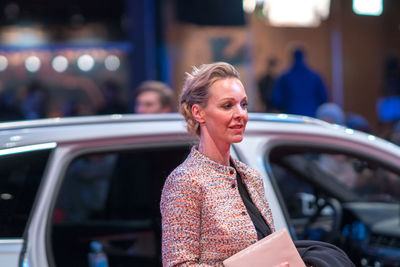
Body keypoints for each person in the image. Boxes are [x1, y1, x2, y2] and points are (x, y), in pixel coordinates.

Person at [160, 62, 275, 266]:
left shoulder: (251, 177)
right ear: (198, 113)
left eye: (244, 104)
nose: (240, 114)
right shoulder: (185, 182)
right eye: (227, 105)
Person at [272, 46, 328, 117]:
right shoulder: (315, 76)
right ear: (304, 56)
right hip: (311, 117)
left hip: (291, 117)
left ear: (291, 57)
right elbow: (324, 97)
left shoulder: (285, 77)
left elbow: (277, 99)